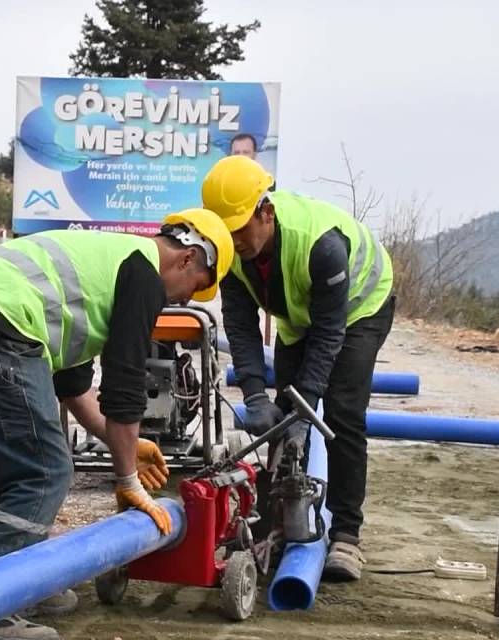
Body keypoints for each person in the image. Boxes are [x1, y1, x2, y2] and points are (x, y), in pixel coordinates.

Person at [0, 211, 234, 639]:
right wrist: (127, 477)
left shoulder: (107, 260)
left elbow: (76, 387)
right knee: (46, 471)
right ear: (188, 259)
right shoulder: (143, 274)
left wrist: (127, 445)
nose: (184, 302)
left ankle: (23, 579)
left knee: (11, 468)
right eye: (195, 290)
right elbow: (124, 383)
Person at [200, 155, 394, 582]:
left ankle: (346, 535)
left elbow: (329, 334)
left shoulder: (320, 244)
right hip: (300, 318)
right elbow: (241, 326)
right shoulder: (232, 253)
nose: (234, 240)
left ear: (265, 213)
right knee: (284, 413)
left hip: (361, 308)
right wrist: (253, 392)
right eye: (226, 231)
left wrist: (305, 414)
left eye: (240, 228)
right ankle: (279, 523)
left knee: (340, 412)